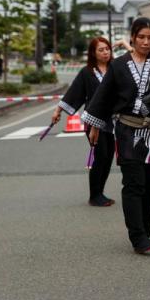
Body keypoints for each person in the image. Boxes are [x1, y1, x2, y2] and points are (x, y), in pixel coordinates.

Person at [83, 0, 150, 255]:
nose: (146, 42)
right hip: (128, 131)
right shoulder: (118, 66)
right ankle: (137, 237)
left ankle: (146, 232)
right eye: (141, 37)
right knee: (134, 185)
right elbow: (102, 99)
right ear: (132, 37)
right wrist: (95, 126)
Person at [51, 36, 117, 207]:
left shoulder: (116, 69)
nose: (105, 52)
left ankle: (100, 192)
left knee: (109, 157)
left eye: (107, 49)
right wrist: (58, 110)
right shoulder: (87, 72)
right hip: (92, 120)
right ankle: (94, 195)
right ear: (93, 54)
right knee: (100, 157)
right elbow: (74, 93)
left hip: (112, 121)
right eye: (101, 50)